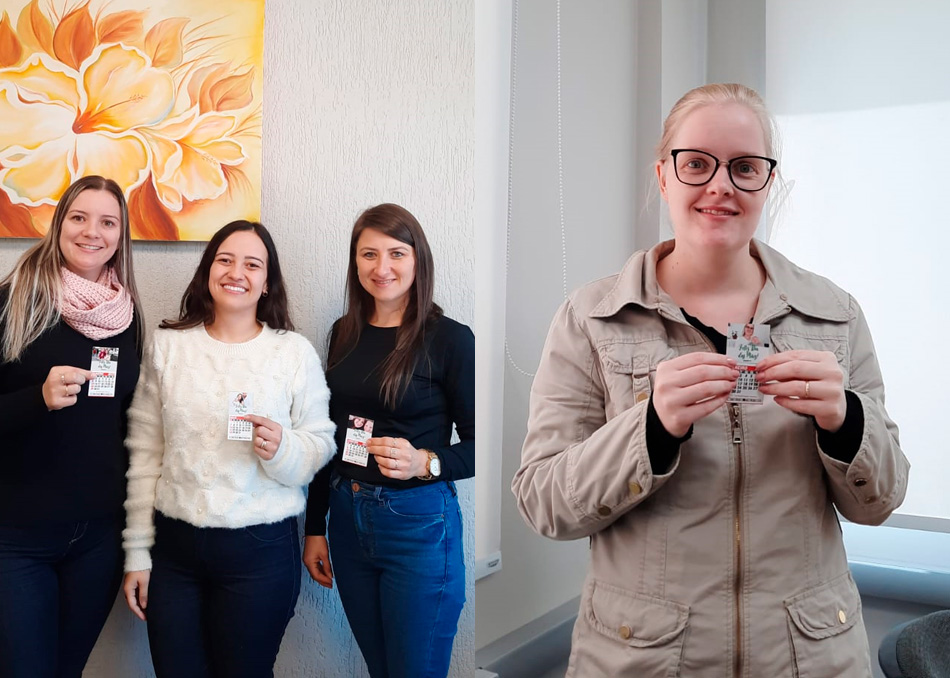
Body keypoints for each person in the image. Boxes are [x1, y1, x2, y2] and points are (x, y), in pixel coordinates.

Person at [511, 83, 909, 677]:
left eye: (745, 167)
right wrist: (650, 430)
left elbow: (882, 500)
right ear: (663, 176)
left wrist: (847, 421)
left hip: (811, 659)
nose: (721, 185)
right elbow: (543, 503)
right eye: (697, 164)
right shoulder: (591, 318)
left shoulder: (834, 315)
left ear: (768, 182)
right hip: (642, 661)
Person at [121, 220, 335, 678]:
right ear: (207, 270)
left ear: (267, 282)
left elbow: (320, 444)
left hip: (261, 553)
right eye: (225, 260)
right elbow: (144, 454)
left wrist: (283, 449)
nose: (236, 272)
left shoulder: (293, 353)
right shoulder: (168, 346)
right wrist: (137, 552)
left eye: (252, 265)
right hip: (174, 552)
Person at [303, 203, 474, 678]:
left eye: (396, 253)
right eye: (369, 254)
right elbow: (328, 435)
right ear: (355, 262)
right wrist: (315, 527)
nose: (382, 268)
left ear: (418, 260)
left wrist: (426, 462)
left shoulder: (450, 340)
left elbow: (482, 447)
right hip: (347, 517)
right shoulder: (343, 333)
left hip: (417, 524)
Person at [0, 175, 143, 678]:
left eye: (107, 222)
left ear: (121, 235)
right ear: (59, 223)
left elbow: (131, 424)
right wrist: (36, 399)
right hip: (18, 537)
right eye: (79, 218)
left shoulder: (125, 314)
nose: (92, 232)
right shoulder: (15, 300)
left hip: (97, 539)